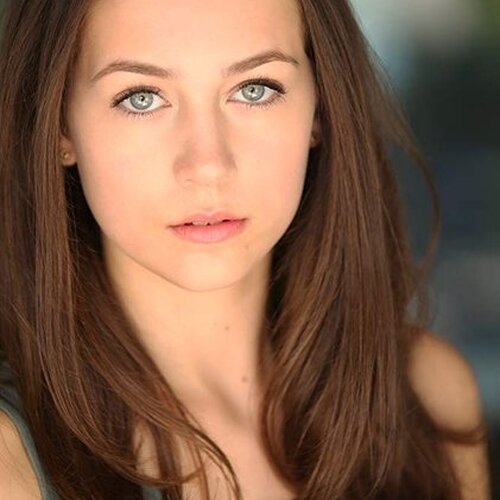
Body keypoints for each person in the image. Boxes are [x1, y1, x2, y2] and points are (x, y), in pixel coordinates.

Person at [0, 0, 490, 498]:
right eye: (141, 98)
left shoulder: (430, 398)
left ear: (320, 107)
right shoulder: (9, 461)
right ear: (59, 124)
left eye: (255, 89)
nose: (208, 165)